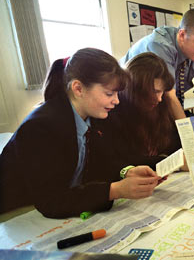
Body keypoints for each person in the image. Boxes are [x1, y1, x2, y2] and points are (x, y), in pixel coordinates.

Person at [0, 48, 162, 218]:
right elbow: (50, 201)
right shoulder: (40, 127)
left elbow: (105, 161)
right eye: (109, 93)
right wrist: (115, 190)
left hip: (60, 205)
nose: (116, 100)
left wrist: (126, 171)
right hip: (18, 213)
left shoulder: (96, 117)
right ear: (78, 88)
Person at [120, 9, 194, 138]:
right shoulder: (159, 45)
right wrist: (190, 138)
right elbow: (169, 96)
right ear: (182, 35)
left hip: (159, 105)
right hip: (129, 106)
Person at [110, 52, 182, 167]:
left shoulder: (162, 106)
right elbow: (124, 161)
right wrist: (170, 162)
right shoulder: (114, 113)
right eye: (155, 92)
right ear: (136, 89)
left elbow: (174, 144)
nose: (159, 99)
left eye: (162, 91)